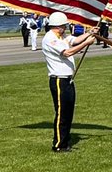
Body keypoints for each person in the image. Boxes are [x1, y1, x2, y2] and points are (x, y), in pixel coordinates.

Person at [41, 11, 97, 152]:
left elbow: (74, 40)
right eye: (64, 26)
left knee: (68, 111)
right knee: (62, 113)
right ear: (58, 26)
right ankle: (59, 144)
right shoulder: (50, 39)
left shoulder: (61, 36)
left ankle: (65, 140)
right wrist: (87, 43)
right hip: (59, 80)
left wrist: (90, 33)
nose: (65, 28)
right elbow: (67, 52)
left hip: (68, 80)